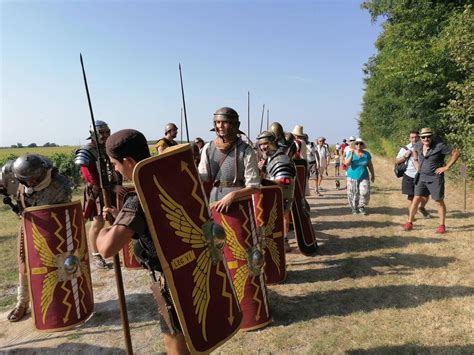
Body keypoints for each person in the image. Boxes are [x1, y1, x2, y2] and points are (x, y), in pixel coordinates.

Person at [97, 129, 189, 354]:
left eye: (114, 164)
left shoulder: (139, 200)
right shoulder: (169, 180)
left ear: (128, 161)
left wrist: (100, 228)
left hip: (171, 281)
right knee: (192, 335)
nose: (116, 170)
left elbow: (107, 249)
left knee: (175, 340)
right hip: (189, 270)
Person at [6, 154, 72, 322]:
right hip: (28, 226)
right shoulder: (16, 174)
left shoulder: (59, 185)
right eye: (26, 180)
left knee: (59, 263)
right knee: (24, 263)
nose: (30, 184)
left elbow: (64, 214)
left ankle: (63, 301)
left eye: (33, 180)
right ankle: (22, 302)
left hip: (54, 230)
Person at [198, 107, 260, 211]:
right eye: (218, 122)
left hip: (239, 203)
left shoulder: (246, 150)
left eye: (225, 122)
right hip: (215, 201)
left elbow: (254, 186)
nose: (220, 126)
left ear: (234, 125)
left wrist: (233, 195)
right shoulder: (208, 148)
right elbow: (203, 176)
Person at [75, 120, 116, 269]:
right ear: (93, 134)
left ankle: (111, 247)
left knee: (114, 218)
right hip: (97, 190)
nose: (105, 135)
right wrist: (111, 187)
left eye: (107, 132)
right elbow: (90, 177)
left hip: (111, 189)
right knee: (98, 222)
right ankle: (96, 255)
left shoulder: (108, 148)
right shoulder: (87, 150)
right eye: (101, 132)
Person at [403, 127, 460, 233]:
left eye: (428, 136)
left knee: (438, 201)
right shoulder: (418, 144)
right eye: (423, 137)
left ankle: (442, 225)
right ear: (421, 138)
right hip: (421, 177)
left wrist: (446, 167)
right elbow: (414, 150)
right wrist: (416, 161)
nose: (426, 139)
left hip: (435, 178)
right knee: (416, 199)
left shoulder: (440, 146)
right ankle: (409, 222)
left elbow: (456, 153)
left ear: (431, 136)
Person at [256, 130, 296, 251]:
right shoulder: (271, 157)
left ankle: (284, 241)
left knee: (284, 214)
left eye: (265, 143)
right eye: (261, 144)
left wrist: (266, 183)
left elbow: (284, 180)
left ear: (272, 143)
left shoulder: (280, 159)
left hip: (282, 191)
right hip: (274, 189)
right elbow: (269, 175)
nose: (263, 147)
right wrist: (262, 169)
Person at [395, 130, 431, 218]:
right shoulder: (405, 148)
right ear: (409, 138)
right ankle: (411, 216)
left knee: (425, 195)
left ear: (419, 137)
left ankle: (421, 208)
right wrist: (405, 156)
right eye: (412, 137)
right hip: (409, 175)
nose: (414, 139)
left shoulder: (425, 147)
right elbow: (396, 161)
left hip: (423, 174)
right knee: (411, 197)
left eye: (416, 137)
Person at [345, 138, 375, 215]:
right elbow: (347, 164)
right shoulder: (351, 153)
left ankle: (361, 207)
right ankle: (354, 208)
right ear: (354, 145)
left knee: (364, 192)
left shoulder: (367, 154)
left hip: (364, 176)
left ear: (363, 145)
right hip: (352, 176)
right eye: (357, 143)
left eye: (360, 143)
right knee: (353, 193)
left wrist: (373, 174)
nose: (359, 145)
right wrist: (351, 155)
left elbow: (370, 165)